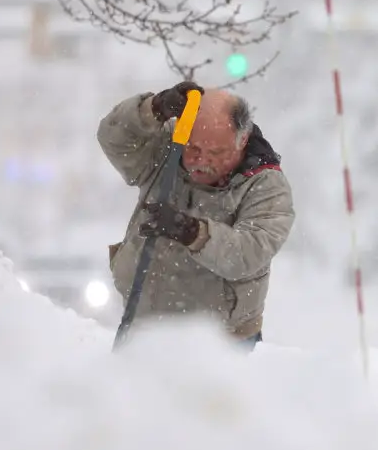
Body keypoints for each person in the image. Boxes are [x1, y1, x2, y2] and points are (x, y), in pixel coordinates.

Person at [97, 80, 294, 349]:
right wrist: (153, 109)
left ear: (242, 141)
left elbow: (249, 253)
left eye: (216, 152)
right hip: (144, 326)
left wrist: (191, 232)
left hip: (223, 342)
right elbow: (114, 139)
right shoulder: (167, 149)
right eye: (193, 148)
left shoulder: (266, 185)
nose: (201, 160)